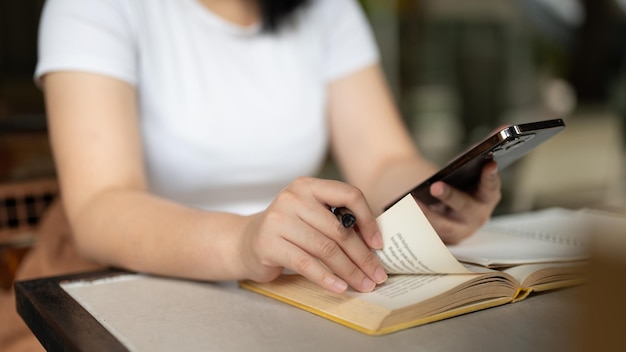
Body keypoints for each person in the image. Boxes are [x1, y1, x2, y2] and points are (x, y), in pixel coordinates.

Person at [1, 0, 501, 350]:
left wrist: (438, 191)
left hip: (282, 292)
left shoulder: (327, 9)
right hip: (124, 290)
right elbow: (100, 206)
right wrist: (244, 242)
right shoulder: (95, 6)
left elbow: (382, 162)